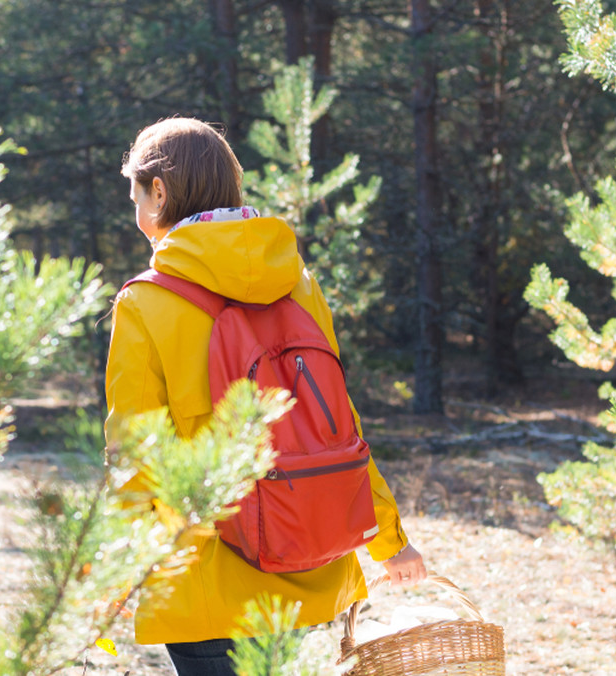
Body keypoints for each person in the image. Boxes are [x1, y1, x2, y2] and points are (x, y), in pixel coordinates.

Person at [105, 117, 427, 675]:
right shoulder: (298, 283)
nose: (136, 215)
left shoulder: (145, 303)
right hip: (311, 566)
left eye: (136, 195)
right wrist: (389, 542)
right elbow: (337, 423)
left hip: (206, 580)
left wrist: (115, 574)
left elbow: (136, 452)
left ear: (158, 192)